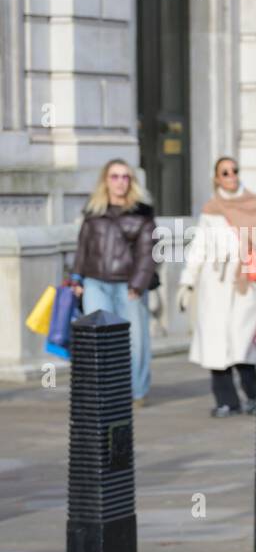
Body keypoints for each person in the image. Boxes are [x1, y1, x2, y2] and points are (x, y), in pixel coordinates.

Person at [179, 157, 256, 417]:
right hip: (215, 283)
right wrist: (187, 280)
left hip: (246, 283)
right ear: (217, 178)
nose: (231, 176)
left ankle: (255, 396)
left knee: (244, 344)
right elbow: (199, 247)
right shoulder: (211, 209)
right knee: (216, 346)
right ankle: (226, 401)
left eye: (234, 171)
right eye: (224, 172)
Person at [70, 160, 158, 406]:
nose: (120, 182)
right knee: (99, 337)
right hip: (95, 282)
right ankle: (104, 390)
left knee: (136, 341)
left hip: (128, 285)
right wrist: (76, 278)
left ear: (131, 182)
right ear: (105, 181)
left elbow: (147, 253)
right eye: (115, 176)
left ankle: (137, 392)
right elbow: (82, 248)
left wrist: (138, 285)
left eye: (125, 177)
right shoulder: (93, 211)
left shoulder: (142, 213)